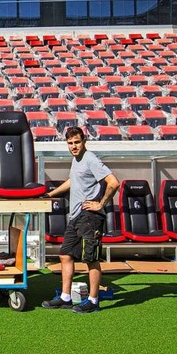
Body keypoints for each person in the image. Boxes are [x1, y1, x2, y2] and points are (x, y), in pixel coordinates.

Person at [42, 126, 119, 313]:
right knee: (65, 254)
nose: (74, 146)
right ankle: (65, 298)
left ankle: (93, 301)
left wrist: (100, 204)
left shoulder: (90, 159)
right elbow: (72, 181)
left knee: (90, 259)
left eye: (77, 142)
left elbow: (113, 182)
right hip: (75, 216)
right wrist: (50, 194)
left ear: (84, 141)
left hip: (89, 217)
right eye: (70, 143)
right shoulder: (76, 160)